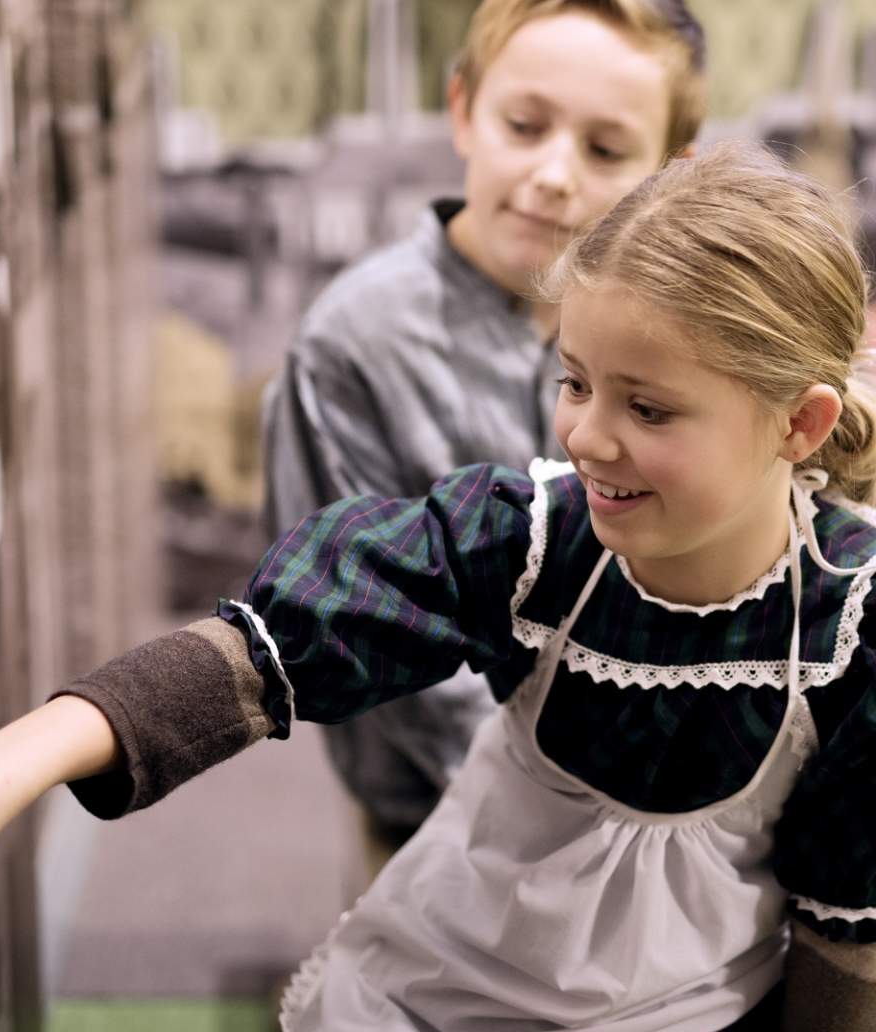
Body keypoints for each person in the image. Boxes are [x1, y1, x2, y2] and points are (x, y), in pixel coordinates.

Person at [0, 144, 876, 1032]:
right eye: (572, 381)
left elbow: (849, 936)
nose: (588, 435)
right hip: (455, 1003)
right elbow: (279, 642)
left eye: (649, 409)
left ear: (800, 424)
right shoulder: (527, 540)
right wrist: (3, 769)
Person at [264, 0, 708, 873]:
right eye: (524, 125)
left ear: (670, 168)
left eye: (607, 150)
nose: (553, 175)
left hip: (673, 813)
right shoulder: (353, 344)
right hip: (442, 839)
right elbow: (368, 634)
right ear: (463, 109)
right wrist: (595, 813)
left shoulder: (689, 333)